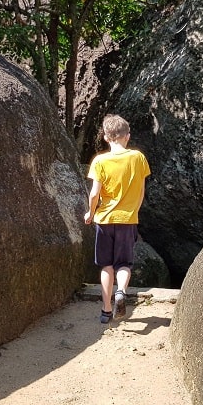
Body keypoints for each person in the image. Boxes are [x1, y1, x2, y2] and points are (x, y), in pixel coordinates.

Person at [84, 114, 151, 324]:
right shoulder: (138, 158)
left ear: (106, 137)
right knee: (124, 264)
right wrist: (134, 212)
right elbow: (141, 191)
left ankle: (105, 311)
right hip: (128, 219)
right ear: (127, 136)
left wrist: (90, 212)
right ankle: (121, 291)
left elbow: (94, 193)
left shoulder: (99, 161)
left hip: (104, 220)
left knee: (106, 266)